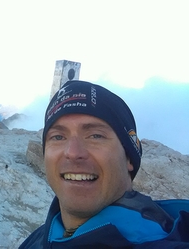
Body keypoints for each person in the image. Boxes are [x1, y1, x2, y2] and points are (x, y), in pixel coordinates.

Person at [19, 80, 189, 248]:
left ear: (129, 157)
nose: (73, 152)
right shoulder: (40, 238)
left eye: (95, 136)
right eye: (58, 137)